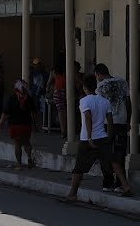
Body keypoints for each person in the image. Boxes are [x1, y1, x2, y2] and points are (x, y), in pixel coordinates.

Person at [63, 74, 133, 202]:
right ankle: (126, 186)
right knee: (113, 161)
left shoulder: (84, 101)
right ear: (95, 87)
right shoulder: (104, 101)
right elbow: (110, 121)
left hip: (87, 139)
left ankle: (73, 193)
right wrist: (109, 137)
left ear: (84, 88)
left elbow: (88, 117)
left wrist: (89, 137)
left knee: (79, 168)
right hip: (102, 136)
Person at [95, 63, 131, 193]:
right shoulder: (122, 82)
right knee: (120, 153)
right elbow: (128, 102)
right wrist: (128, 120)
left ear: (98, 74)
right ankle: (120, 182)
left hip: (107, 123)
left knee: (105, 153)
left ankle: (108, 181)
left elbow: (100, 107)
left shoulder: (100, 86)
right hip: (121, 122)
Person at [0, 79, 37, 170]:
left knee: (18, 144)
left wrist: (0, 123)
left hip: (15, 125)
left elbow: (6, 113)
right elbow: (34, 112)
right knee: (27, 142)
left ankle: (19, 164)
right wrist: (35, 124)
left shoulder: (12, 98)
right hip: (26, 125)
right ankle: (29, 158)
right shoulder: (29, 99)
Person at [48, 61, 67, 139]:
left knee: (60, 111)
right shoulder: (65, 72)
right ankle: (65, 129)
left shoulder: (53, 71)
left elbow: (48, 83)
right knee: (64, 111)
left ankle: (63, 130)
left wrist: (48, 90)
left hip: (58, 91)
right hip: (65, 91)